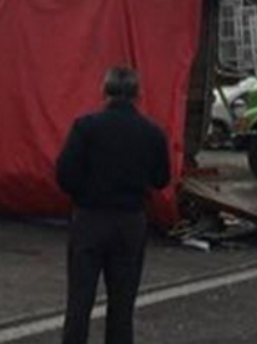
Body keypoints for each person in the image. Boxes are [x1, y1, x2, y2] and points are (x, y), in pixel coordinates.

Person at [56, 68, 171, 344]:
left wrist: (84, 194)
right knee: (122, 305)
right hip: (130, 221)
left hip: (90, 218)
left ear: (104, 92)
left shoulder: (86, 127)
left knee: (79, 302)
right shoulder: (152, 132)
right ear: (138, 95)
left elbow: (64, 173)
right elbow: (161, 179)